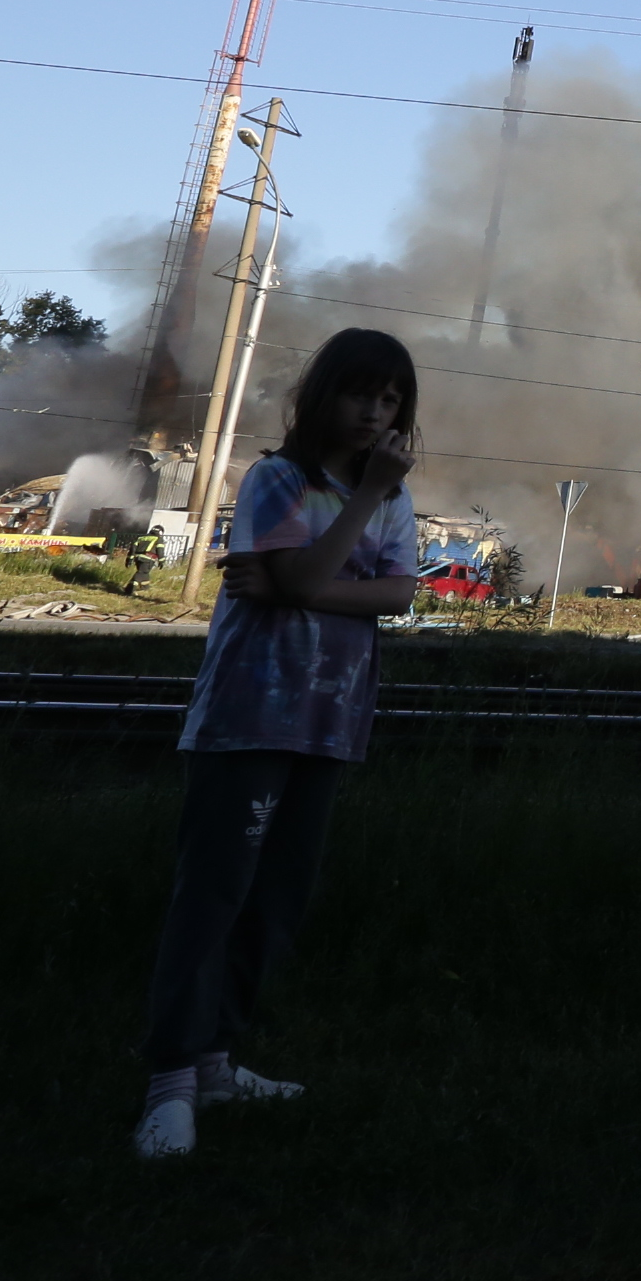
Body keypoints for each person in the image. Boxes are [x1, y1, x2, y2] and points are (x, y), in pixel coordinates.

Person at [132, 327, 425, 1160]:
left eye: (392, 399)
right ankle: (169, 1086)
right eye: (361, 393)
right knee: (214, 894)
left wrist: (308, 585)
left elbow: (398, 594)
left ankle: (218, 1065)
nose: (375, 411)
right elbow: (317, 581)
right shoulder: (280, 478)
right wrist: (356, 523)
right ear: (321, 395)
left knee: (276, 900)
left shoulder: (396, 498)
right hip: (250, 715)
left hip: (331, 721)